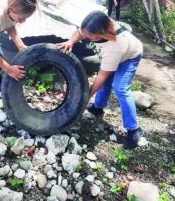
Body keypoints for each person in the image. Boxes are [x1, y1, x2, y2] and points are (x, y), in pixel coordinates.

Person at [56, 11, 144, 149]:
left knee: (120, 87)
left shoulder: (114, 46)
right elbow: (80, 32)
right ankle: (98, 108)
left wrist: (87, 95)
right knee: (106, 82)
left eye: (89, 35)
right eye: (86, 32)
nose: (86, 36)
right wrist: (71, 41)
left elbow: (102, 75)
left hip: (130, 56)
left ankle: (134, 129)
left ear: (101, 33)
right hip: (117, 54)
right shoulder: (95, 24)